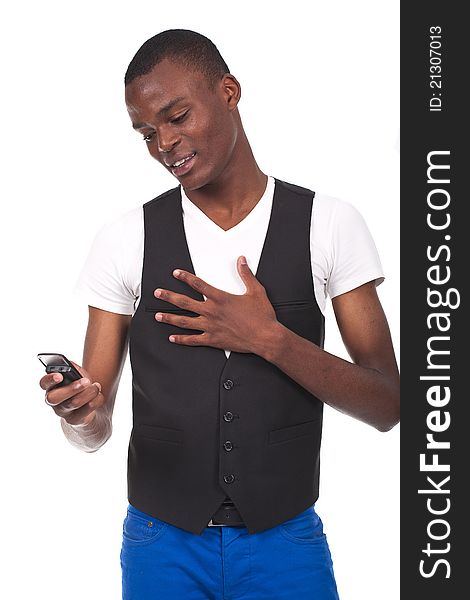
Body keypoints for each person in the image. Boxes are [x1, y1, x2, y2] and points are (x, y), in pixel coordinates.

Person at [40, 29, 399, 600]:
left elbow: (388, 405)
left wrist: (271, 339)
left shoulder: (328, 224)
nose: (165, 144)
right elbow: (95, 425)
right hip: (161, 545)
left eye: (178, 116)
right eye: (147, 132)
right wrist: (81, 417)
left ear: (229, 92)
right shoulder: (123, 239)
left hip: (288, 544)